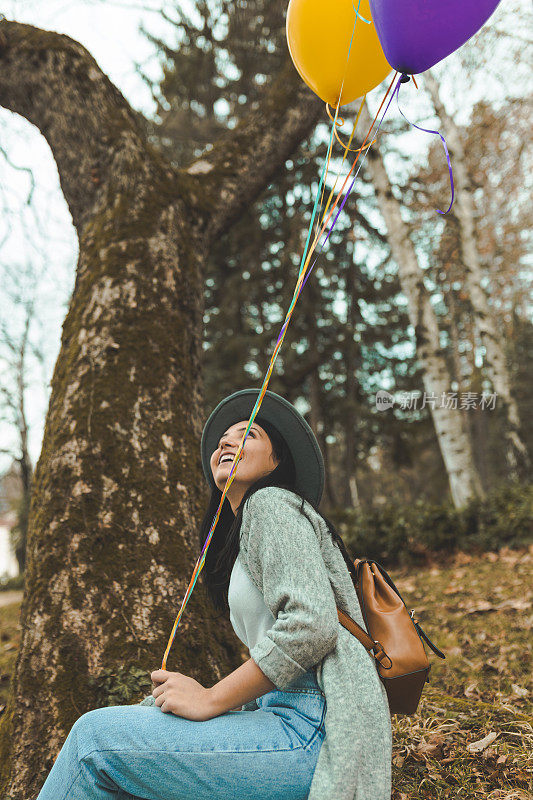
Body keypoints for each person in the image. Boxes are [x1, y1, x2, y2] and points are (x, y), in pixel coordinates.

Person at [36, 389, 392, 800]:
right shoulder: (247, 532)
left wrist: (210, 698)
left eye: (249, 434)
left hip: (315, 732)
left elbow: (312, 626)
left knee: (93, 742)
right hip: (285, 719)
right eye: (223, 437)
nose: (226, 441)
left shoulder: (272, 504)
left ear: (278, 462)